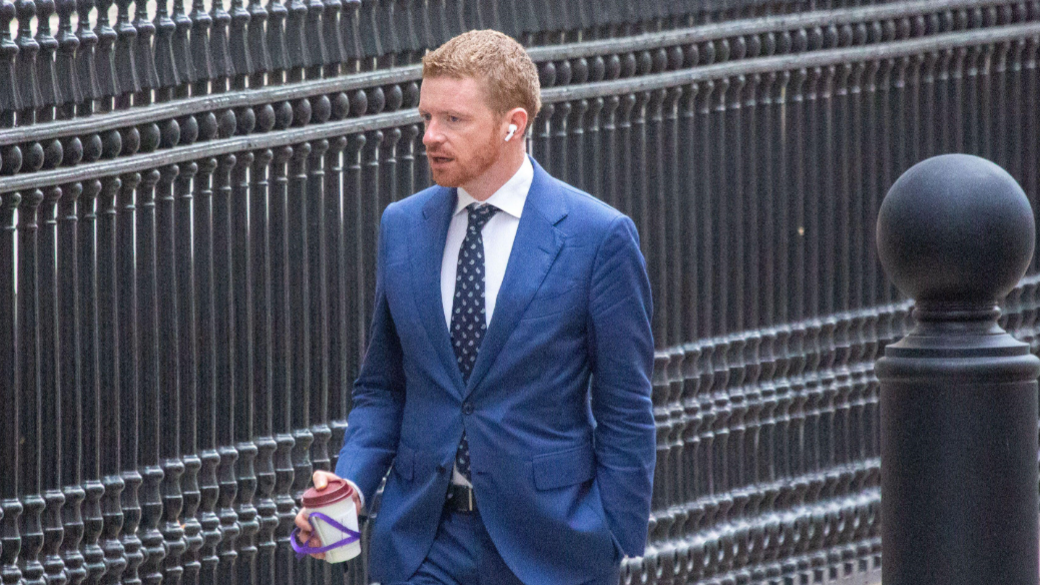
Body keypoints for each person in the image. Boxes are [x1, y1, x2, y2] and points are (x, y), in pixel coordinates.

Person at [295, 29, 655, 585]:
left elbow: (626, 404)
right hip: (423, 542)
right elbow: (383, 388)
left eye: (454, 120)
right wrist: (346, 497)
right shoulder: (403, 227)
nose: (430, 137)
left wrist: (613, 534)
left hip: (551, 548)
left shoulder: (597, 237)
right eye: (426, 117)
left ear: (513, 123)